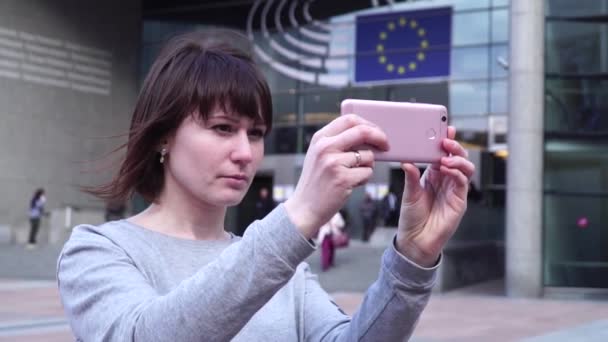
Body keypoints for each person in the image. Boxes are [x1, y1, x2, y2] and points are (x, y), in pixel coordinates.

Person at [56, 30, 475, 341]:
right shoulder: (97, 250)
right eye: (222, 128)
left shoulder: (284, 268)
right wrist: (301, 214)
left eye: (255, 133)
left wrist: (414, 257)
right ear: (163, 135)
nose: (244, 152)